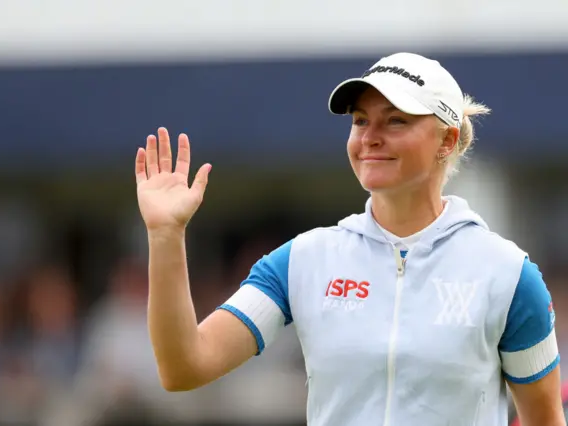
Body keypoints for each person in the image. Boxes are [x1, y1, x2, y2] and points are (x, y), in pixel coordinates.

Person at [134, 52, 565, 425]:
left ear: (446, 140)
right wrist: (165, 235)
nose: (370, 137)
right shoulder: (303, 260)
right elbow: (184, 366)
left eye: (395, 120)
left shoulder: (507, 275)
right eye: (361, 121)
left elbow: (544, 420)